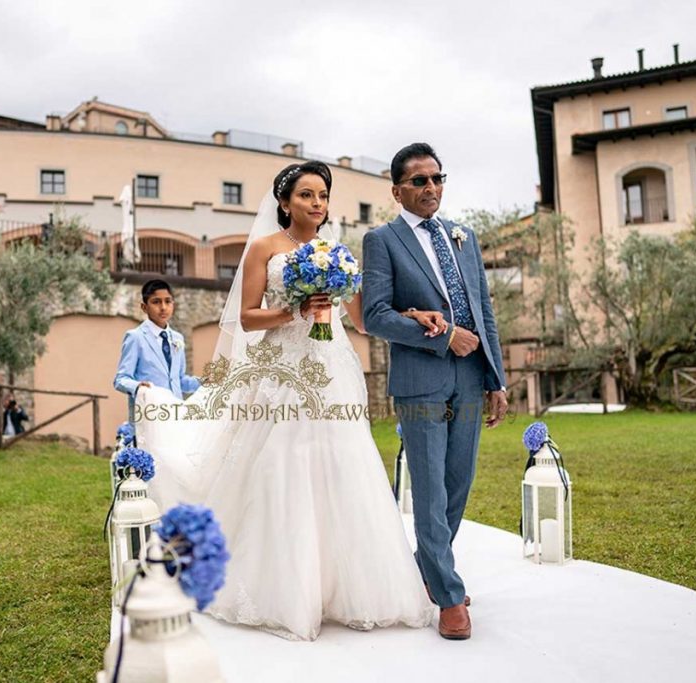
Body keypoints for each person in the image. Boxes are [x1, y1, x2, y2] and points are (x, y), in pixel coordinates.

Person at [134, 160, 436, 641]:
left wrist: (409, 314)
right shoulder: (263, 249)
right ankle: (285, 586)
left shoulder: (335, 252)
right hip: (281, 371)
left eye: (322, 196)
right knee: (281, 463)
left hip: (330, 368)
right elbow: (247, 318)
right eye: (306, 195)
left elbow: (360, 317)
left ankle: (344, 585)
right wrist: (292, 311)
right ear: (284, 201)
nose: (317, 204)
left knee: (342, 464)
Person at [362, 143, 508, 641]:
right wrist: (443, 335)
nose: (431, 188)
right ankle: (448, 595)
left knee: (458, 480)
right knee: (427, 487)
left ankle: (430, 567)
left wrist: (497, 378)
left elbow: (483, 311)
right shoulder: (382, 240)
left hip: (470, 376)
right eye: (420, 181)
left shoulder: (463, 237)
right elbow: (374, 314)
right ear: (398, 189)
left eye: (437, 179)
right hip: (421, 378)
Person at [113, 280, 201, 401]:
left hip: (175, 412)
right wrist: (137, 386)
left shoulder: (177, 338)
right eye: (156, 302)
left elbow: (179, 380)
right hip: (147, 412)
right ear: (144, 307)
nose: (163, 307)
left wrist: (203, 382)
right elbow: (120, 379)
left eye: (168, 301)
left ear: (173, 305)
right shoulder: (135, 337)